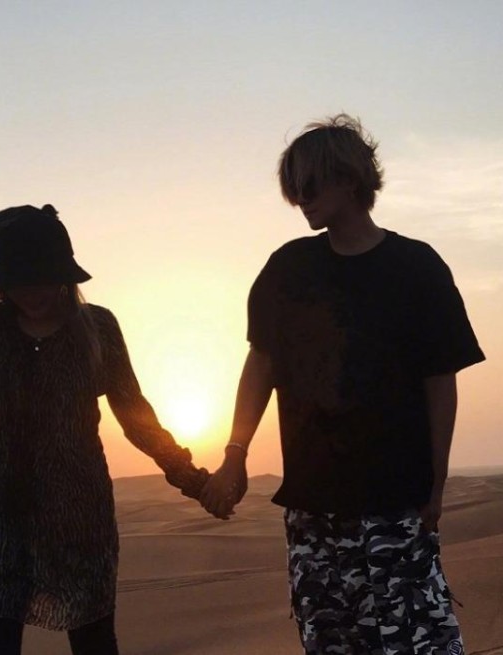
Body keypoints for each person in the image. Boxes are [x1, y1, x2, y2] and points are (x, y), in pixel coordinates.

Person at [200, 114, 485, 654]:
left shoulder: (417, 268)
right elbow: (261, 364)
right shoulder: (287, 269)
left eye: (309, 185)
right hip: (314, 503)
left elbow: (440, 380)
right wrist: (235, 453)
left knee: (419, 639)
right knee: (331, 641)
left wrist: (437, 482)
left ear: (350, 180)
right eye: (293, 188)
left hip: (396, 498)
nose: (300, 200)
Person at [0, 204, 209, 655]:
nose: (33, 291)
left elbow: (135, 416)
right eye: (20, 279)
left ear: (65, 275)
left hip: (80, 529)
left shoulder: (97, 328)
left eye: (44, 277)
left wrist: (191, 479)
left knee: (95, 646)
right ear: (2, 281)